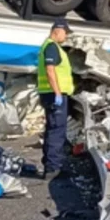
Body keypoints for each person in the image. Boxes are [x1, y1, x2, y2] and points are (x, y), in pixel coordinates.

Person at [38, 18, 75, 179]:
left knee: (52, 129)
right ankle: (53, 168)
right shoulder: (52, 47)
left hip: (49, 93)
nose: (66, 37)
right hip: (54, 95)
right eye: (65, 33)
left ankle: (50, 164)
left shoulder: (49, 46)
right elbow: (50, 70)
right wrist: (58, 92)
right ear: (57, 30)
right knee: (57, 131)